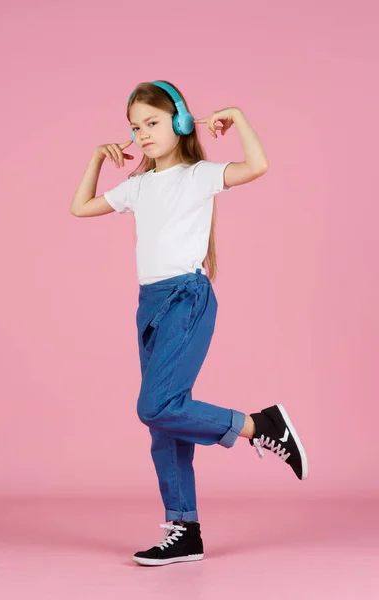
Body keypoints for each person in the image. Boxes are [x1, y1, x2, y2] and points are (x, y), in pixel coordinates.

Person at [70, 80, 309, 567]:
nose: (142, 134)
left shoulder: (199, 175)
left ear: (180, 121)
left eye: (153, 123)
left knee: (155, 405)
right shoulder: (139, 185)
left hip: (186, 298)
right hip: (150, 304)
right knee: (164, 422)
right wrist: (96, 158)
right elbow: (80, 207)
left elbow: (258, 165)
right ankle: (185, 529)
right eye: (135, 127)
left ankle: (261, 425)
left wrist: (239, 116)